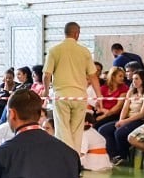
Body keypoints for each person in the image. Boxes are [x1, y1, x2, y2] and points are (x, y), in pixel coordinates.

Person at [42, 22, 101, 153]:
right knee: (77, 131)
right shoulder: (84, 51)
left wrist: (46, 92)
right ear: (77, 34)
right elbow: (93, 76)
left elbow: (46, 76)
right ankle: (75, 162)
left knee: (62, 130)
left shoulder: (54, 50)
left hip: (61, 96)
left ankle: (65, 161)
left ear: (65, 33)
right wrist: (99, 97)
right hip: (80, 97)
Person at [99, 69, 144, 164]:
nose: (134, 81)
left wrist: (125, 122)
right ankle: (113, 155)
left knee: (119, 133)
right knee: (104, 130)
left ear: (143, 80)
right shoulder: (131, 92)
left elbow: (142, 113)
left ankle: (123, 156)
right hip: (127, 118)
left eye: (136, 79)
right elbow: (125, 108)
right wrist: (121, 120)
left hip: (139, 120)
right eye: (133, 79)